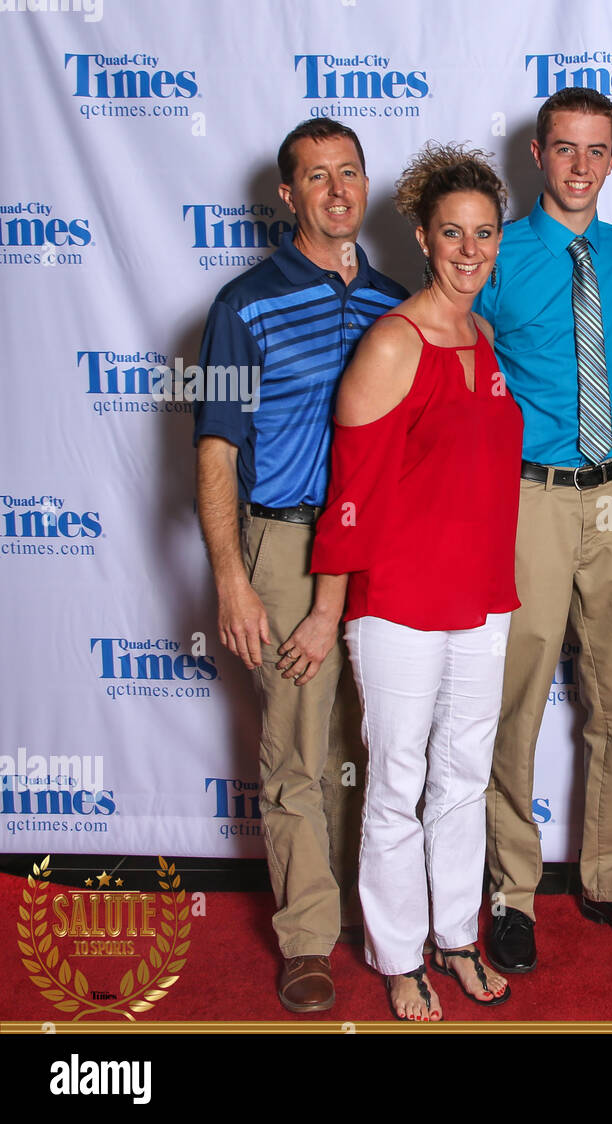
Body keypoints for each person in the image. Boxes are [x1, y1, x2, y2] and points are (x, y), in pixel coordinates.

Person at [194, 119, 405, 1013]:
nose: (335, 189)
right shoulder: (242, 306)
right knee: (296, 749)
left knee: (380, 744)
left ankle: (377, 914)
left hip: (383, 548)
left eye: (347, 171)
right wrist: (232, 578)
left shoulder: (399, 299)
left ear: (366, 182)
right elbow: (214, 454)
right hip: (285, 542)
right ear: (288, 197)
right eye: (314, 177)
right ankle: (310, 937)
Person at [310, 144, 521, 1020]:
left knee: (465, 773)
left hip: (481, 597)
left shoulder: (485, 336)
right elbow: (348, 494)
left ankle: (458, 936)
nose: (469, 250)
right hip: (397, 600)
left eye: (483, 234)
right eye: (451, 234)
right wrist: (329, 611)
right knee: (396, 781)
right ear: (425, 240)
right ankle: (398, 954)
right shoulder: (393, 342)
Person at [473, 87, 612, 971]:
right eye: (565, 149)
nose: (580, 166)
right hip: (533, 495)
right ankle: (511, 890)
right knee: (514, 698)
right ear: (538, 156)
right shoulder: (500, 255)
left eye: (597, 150)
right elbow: (462, 369)